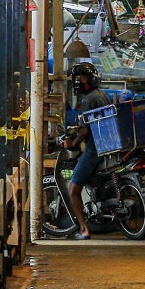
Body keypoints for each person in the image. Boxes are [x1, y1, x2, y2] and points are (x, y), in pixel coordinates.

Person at [63, 62, 111, 240]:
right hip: (106, 144)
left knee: (73, 189)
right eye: (77, 79)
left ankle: (84, 229)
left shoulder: (88, 99)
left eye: (82, 78)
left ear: (91, 79)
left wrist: (73, 142)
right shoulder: (102, 95)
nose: (79, 82)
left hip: (94, 148)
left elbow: (85, 130)